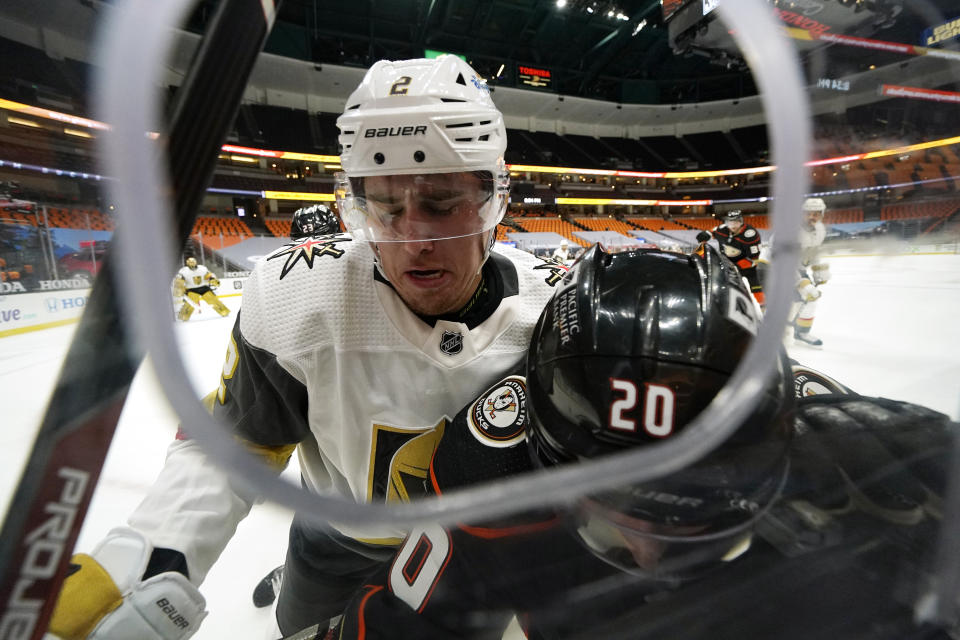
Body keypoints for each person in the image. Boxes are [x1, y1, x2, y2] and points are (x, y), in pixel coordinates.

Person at [49, 55, 567, 639]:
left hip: (475, 552)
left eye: (443, 204)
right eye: (386, 208)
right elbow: (236, 442)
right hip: (335, 544)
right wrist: (155, 552)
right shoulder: (294, 296)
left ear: (493, 198)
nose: (414, 239)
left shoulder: (555, 311)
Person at [330, 245, 953, 640]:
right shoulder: (878, 454)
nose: (653, 554)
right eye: (616, 513)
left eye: (701, 514)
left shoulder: (887, 456)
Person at [697, 210, 764, 308]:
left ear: (741, 222)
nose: (733, 225)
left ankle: (763, 306)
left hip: (746, 264)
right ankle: (724, 304)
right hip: (727, 262)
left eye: (736, 222)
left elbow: (754, 257)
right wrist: (706, 234)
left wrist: (741, 264)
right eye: (730, 222)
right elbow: (712, 231)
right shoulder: (722, 229)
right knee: (723, 284)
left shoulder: (750, 234)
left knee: (755, 286)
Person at [790, 197, 829, 346]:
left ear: (822, 214)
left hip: (797, 268)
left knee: (810, 297)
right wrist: (802, 282)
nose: (812, 217)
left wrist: (818, 270)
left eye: (816, 214)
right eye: (808, 213)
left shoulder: (820, 230)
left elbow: (813, 252)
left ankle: (802, 332)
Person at [172, 256, 230, 321]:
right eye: (190, 262)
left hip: (204, 287)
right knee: (190, 303)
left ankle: (224, 311)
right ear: (187, 263)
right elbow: (179, 280)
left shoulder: (202, 268)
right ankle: (183, 316)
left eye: (193, 262)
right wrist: (178, 288)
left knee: (213, 300)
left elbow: (209, 275)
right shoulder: (183, 271)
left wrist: (213, 279)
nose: (192, 264)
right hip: (191, 289)